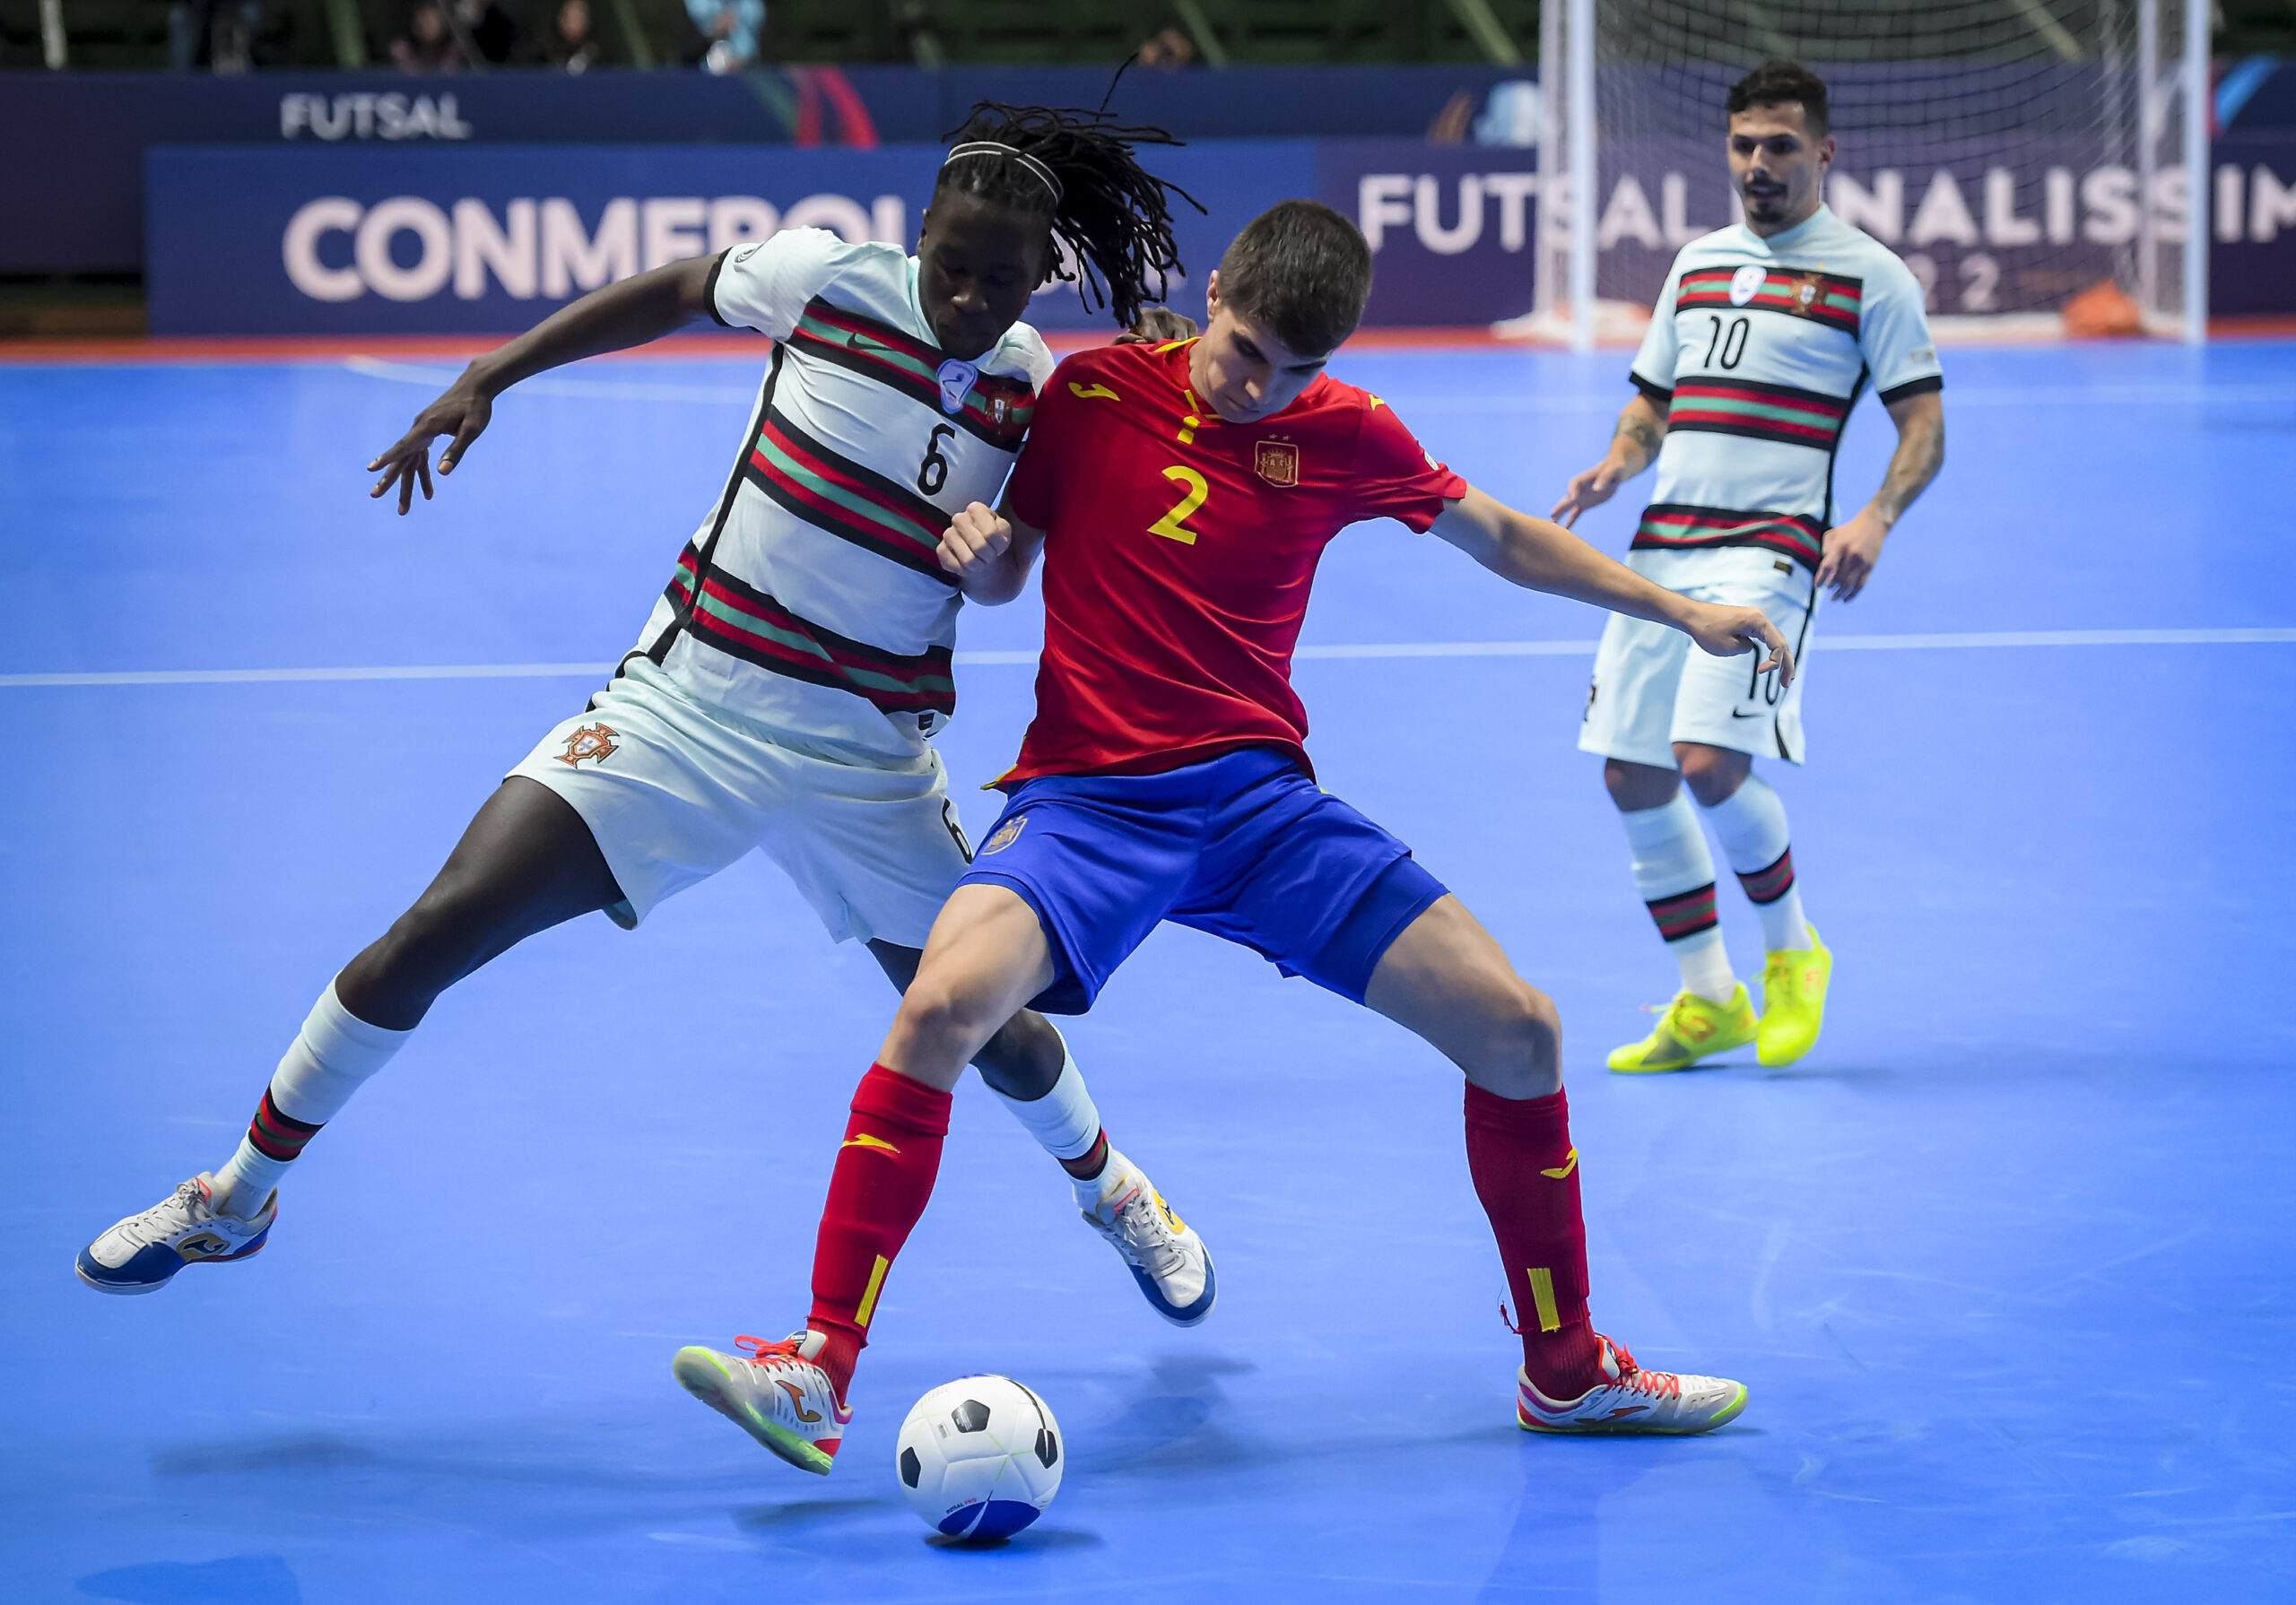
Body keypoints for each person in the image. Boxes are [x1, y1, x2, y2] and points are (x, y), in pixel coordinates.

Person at [75, 106, 1221, 1401]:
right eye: (951, 260)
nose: (967, 292)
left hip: (868, 760)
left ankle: (1117, 1191)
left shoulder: (1029, 390)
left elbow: (1013, 570)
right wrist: (491, 375)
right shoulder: (825, 282)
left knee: (988, 1024)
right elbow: (674, 289)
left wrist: (996, 563)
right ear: (918, 235)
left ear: (1037, 279)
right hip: (692, 706)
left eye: (998, 278)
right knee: (440, 925)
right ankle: (237, 1194)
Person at [677, 198, 1795, 1477]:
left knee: (1523, 1030)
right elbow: (1008, 576)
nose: (1256, 383)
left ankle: (1567, 1368)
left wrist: (1673, 607)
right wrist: (986, 560)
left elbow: (1497, 535)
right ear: (1216, 294)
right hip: (1087, 805)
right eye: (1245, 347)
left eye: (1291, 369)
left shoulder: (1347, 433)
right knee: (937, 1011)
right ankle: (819, 1367)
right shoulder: (1091, 396)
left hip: (1261, 811)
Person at [1552, 59, 1945, 1074]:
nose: (1758, 164)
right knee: (1632, 774)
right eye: (1742, 145)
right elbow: (1651, 405)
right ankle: (1706, 999)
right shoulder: (1695, 264)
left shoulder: (1871, 275)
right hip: (1662, 549)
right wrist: (1613, 463)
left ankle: (1792, 953)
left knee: (1709, 760)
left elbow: (1924, 426)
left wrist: (1876, 516)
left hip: (1772, 550)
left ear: (1822, 151)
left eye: (1778, 146)